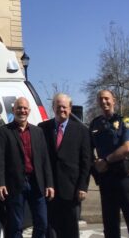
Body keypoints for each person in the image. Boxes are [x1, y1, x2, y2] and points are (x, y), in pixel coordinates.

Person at [0, 97, 54, 238]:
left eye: (25, 108)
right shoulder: (4, 131)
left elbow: (45, 159)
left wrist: (49, 184)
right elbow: (0, 159)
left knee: (42, 223)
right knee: (16, 226)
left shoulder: (37, 132)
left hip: (36, 183)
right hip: (15, 184)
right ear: (13, 110)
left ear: (29, 111)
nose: (22, 110)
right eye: (19, 108)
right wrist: (0, 183)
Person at [90, 90, 129, 238]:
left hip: (124, 177)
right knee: (110, 223)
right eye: (101, 99)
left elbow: (128, 148)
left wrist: (106, 161)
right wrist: (95, 163)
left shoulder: (124, 121)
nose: (104, 102)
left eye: (107, 98)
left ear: (114, 101)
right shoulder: (95, 124)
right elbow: (88, 149)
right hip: (106, 179)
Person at [39, 93, 91, 237]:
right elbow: (41, 159)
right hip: (50, 188)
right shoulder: (42, 128)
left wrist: (83, 186)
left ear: (70, 108)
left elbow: (86, 161)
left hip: (72, 189)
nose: (61, 109)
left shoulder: (81, 130)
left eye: (64, 107)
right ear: (53, 107)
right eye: (58, 106)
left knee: (71, 229)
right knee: (51, 229)